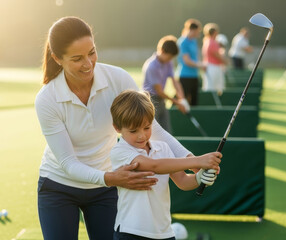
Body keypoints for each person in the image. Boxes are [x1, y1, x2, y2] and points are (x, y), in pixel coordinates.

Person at [35, 16, 194, 240]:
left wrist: (190, 159)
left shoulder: (118, 78)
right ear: (57, 59)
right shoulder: (47, 99)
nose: (88, 63)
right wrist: (110, 178)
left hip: (106, 189)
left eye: (92, 52)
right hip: (60, 186)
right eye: (77, 58)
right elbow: (68, 163)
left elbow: (153, 129)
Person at [110, 90, 221, 240]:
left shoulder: (163, 148)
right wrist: (197, 160)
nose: (141, 135)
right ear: (117, 128)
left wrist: (199, 177)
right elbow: (154, 166)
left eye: (147, 128)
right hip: (131, 232)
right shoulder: (120, 151)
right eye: (133, 130)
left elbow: (182, 181)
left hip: (165, 233)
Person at [142, 35, 189, 133]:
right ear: (162, 51)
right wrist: (177, 103)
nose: (170, 59)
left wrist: (182, 98)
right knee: (154, 132)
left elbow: (174, 81)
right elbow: (159, 91)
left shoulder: (168, 62)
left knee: (167, 132)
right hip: (149, 101)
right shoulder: (151, 66)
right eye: (170, 56)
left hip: (161, 100)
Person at [176, 18, 205, 106]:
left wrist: (200, 64)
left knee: (194, 102)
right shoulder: (182, 42)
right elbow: (187, 61)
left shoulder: (193, 41)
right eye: (197, 31)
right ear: (192, 30)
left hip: (194, 75)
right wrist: (200, 65)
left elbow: (195, 57)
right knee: (183, 101)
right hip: (185, 76)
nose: (198, 33)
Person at [202, 23, 227, 94]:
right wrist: (225, 61)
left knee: (217, 87)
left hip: (213, 67)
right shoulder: (211, 42)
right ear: (215, 32)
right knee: (211, 88)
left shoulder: (209, 41)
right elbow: (217, 55)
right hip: (213, 67)